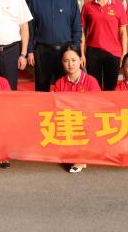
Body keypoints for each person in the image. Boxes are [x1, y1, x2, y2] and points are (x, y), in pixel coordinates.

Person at [28, 0, 82, 92]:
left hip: (66, 50)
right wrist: (30, 51)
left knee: (65, 87)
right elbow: (30, 28)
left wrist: (76, 51)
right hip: (42, 50)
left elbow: (76, 27)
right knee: (41, 87)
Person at [51, 44, 100, 174]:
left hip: (87, 120)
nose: (70, 64)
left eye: (74, 60)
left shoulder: (91, 81)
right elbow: (55, 106)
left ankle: (80, 158)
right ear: (62, 63)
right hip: (67, 119)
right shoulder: (59, 83)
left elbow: (97, 106)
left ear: (80, 60)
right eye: (66, 61)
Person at [81, 0, 127, 91]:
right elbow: (82, 33)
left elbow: (123, 32)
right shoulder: (87, 7)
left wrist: (124, 53)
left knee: (110, 88)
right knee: (93, 87)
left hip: (113, 53)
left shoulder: (119, 6)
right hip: (93, 53)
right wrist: (82, 53)